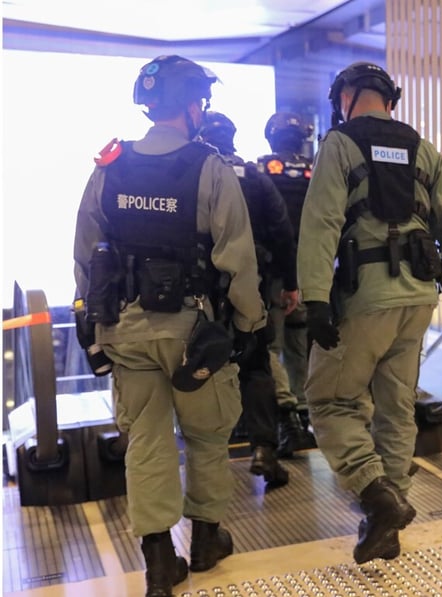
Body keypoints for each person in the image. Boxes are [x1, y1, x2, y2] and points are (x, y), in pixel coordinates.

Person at [72, 55, 266, 597]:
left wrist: (90, 318)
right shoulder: (209, 167)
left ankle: (159, 565)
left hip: (126, 330)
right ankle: (205, 541)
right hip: (193, 335)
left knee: (147, 443)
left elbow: (85, 254)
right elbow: (238, 258)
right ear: (192, 105)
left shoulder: (110, 166)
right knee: (207, 434)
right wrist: (248, 324)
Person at [297, 61, 442, 564]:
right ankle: (388, 526)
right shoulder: (421, 147)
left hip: (366, 299)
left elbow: (320, 223)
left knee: (330, 401)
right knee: (397, 408)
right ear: (391, 100)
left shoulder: (340, 143)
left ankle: (378, 500)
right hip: (418, 299)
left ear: (345, 98)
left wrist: (315, 299)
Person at [200, 110, 297, 487]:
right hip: (252, 284)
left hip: (202, 288)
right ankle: (264, 449)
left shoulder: (194, 172)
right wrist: (290, 282)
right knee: (257, 361)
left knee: (204, 361)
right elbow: (281, 230)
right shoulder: (255, 176)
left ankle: (210, 455)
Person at [257, 112, 318, 456]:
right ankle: (306, 412)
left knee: (270, 347)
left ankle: (288, 417)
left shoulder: (262, 169)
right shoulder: (314, 171)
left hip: (274, 276)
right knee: (299, 345)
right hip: (310, 273)